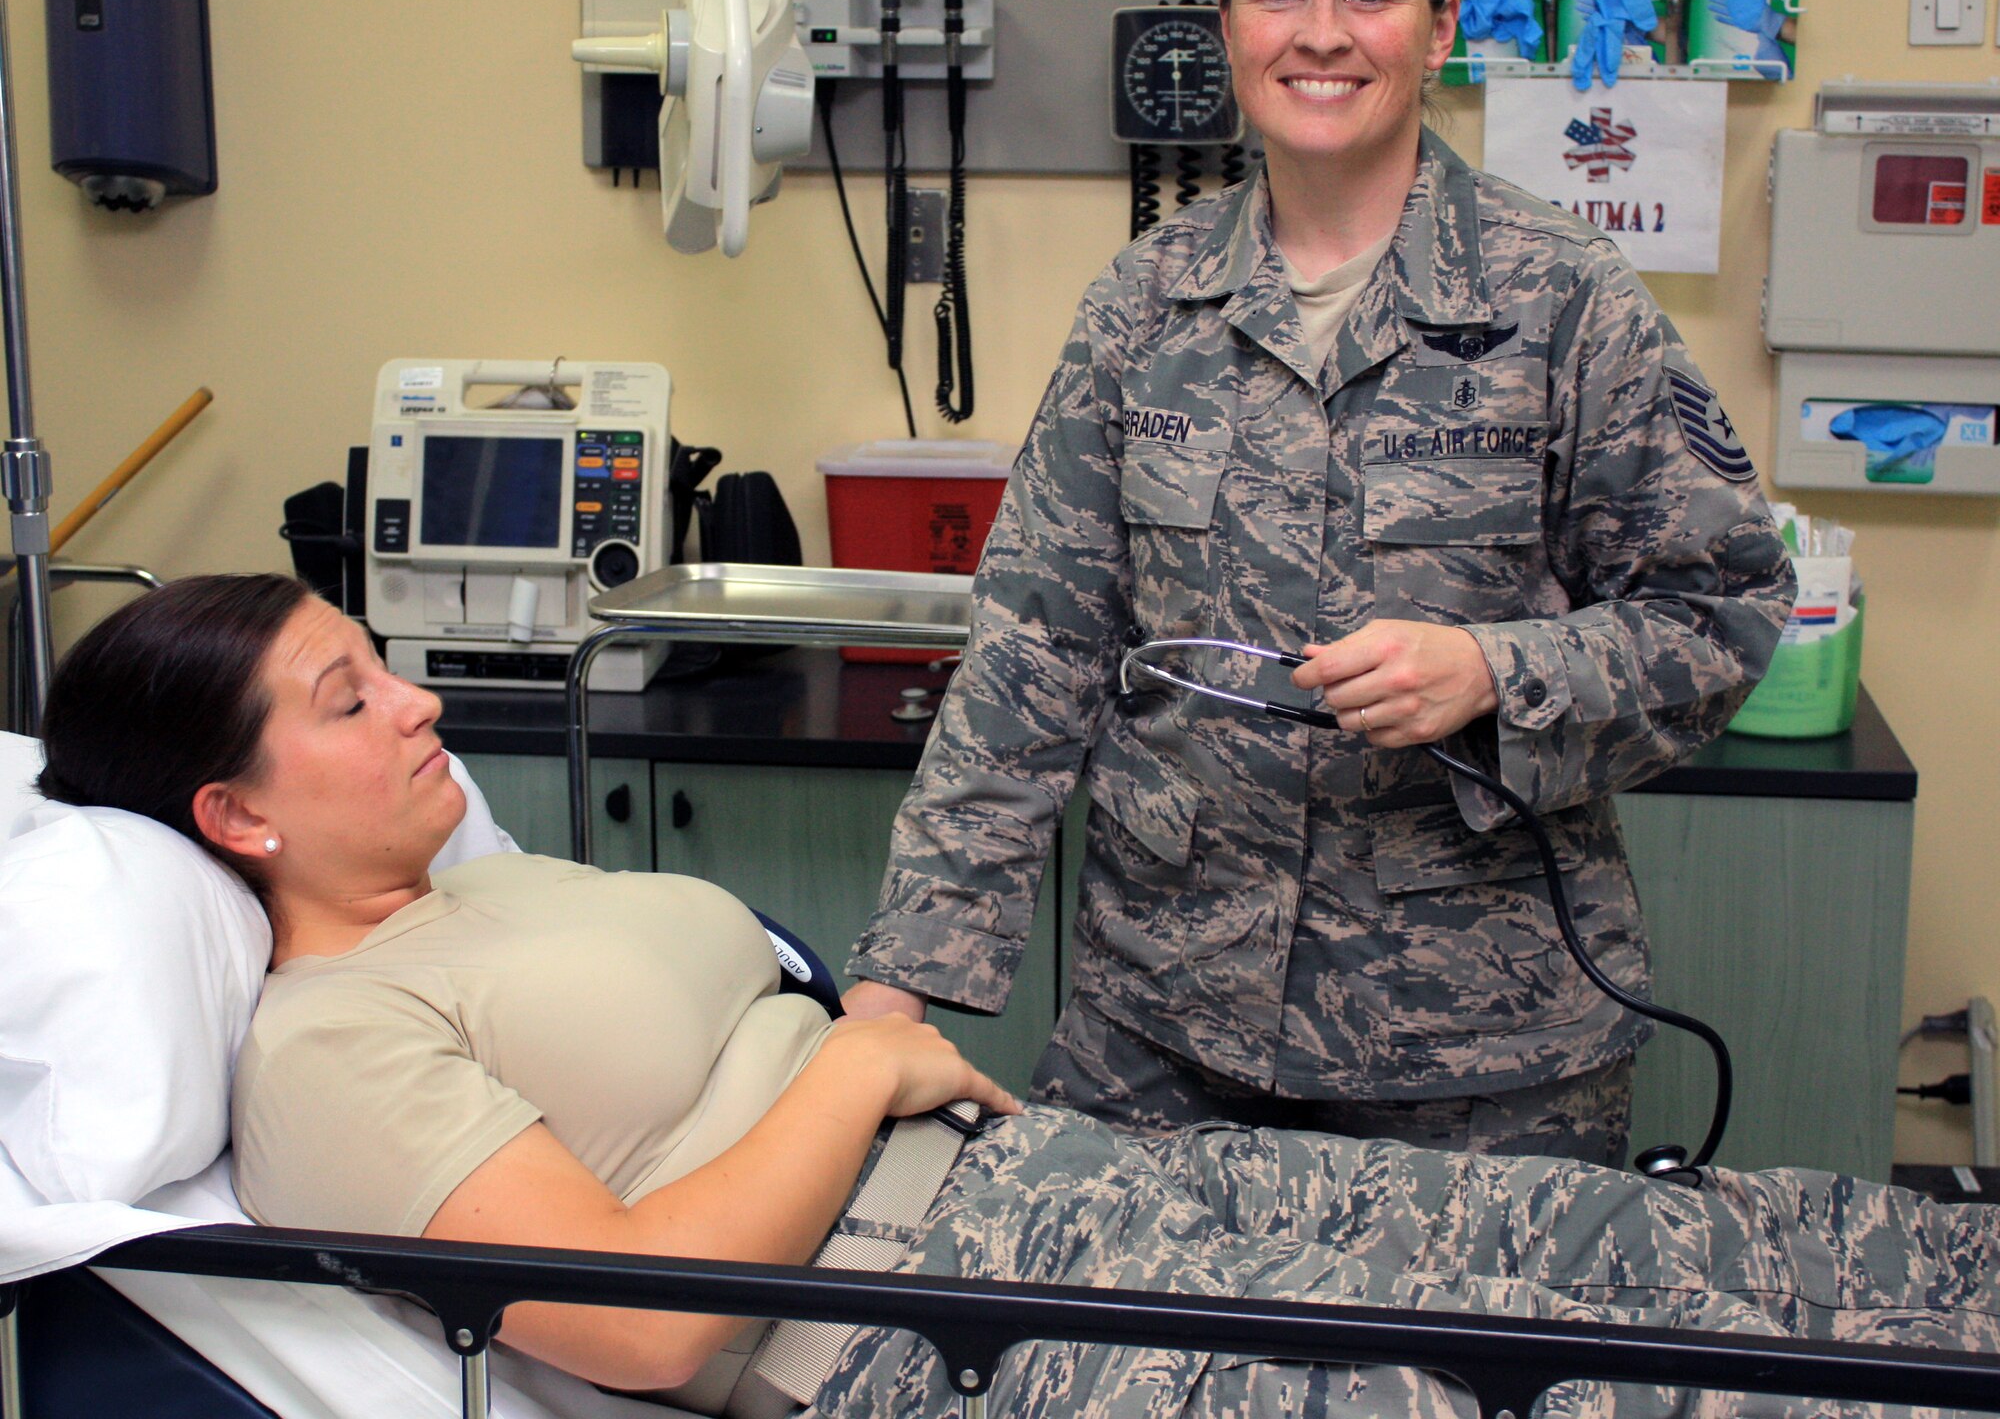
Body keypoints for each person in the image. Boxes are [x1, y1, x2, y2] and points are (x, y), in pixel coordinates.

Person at [30, 573, 2000, 1419]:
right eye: (347, 697)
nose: (421, 702)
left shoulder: (496, 877)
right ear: (232, 809)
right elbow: (637, 1323)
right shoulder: (324, 1042)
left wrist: (873, 1062)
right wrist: (865, 1065)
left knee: (1624, 1237)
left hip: (1053, 1187)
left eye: (388, 661)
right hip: (941, 1331)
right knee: (1616, 1366)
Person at [842, 0, 1796, 1164]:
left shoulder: (1561, 297)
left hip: (1478, 1051)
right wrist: (898, 981)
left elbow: (1726, 609)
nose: (1322, 35)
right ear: (1227, 22)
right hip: (1161, 1027)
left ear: (1441, 25)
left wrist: (1492, 670)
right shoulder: (1144, 302)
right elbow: (1035, 649)